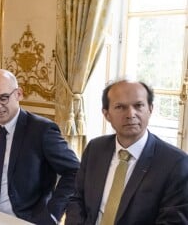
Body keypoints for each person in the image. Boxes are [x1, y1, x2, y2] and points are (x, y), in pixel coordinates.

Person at [65, 79, 188, 225]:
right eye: (120, 107)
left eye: (138, 106)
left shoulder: (175, 162)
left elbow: (173, 222)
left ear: (150, 109)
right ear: (106, 114)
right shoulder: (95, 148)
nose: (131, 114)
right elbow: (77, 199)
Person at [0, 69, 80, 224]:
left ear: (19, 94)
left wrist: (53, 214)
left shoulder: (42, 130)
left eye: (3, 98)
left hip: (22, 219)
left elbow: (75, 171)